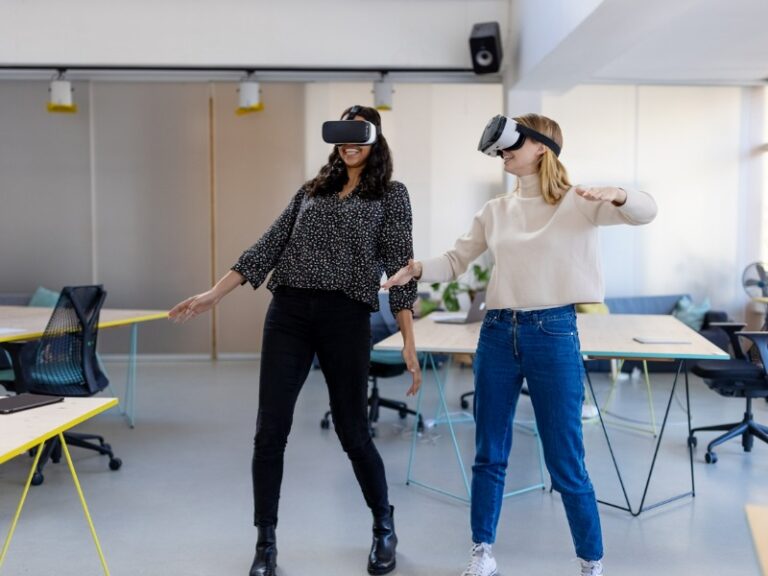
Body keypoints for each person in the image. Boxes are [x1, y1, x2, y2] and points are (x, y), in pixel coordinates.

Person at [383, 112, 657, 576]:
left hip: (554, 334)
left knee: (565, 458)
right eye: (502, 149)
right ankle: (482, 552)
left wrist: (620, 193)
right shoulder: (496, 210)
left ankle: (591, 561)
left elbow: (646, 210)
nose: (504, 154)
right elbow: (455, 260)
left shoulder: (581, 202)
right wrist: (416, 269)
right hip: (496, 334)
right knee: (490, 452)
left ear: (542, 148)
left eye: (513, 145)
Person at [169, 105, 421, 576]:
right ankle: (266, 542)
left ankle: (383, 526)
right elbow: (267, 246)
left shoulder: (391, 195)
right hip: (288, 313)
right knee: (269, 432)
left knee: (352, 430)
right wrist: (212, 295)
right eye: (342, 134)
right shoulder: (312, 190)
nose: (348, 144)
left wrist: (408, 341)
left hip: (345, 317)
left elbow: (402, 271)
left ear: (374, 139)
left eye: (358, 134)